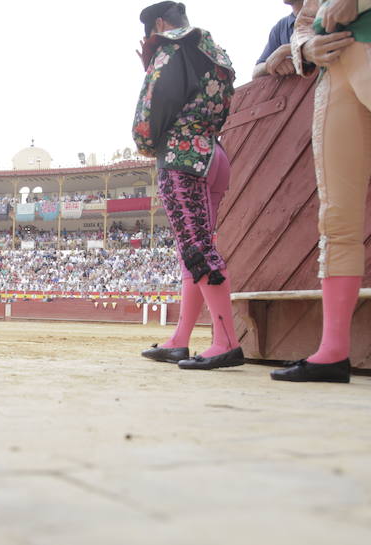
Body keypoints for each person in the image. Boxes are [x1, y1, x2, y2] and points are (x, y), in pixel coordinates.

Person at [270, 0, 371, 383]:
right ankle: (333, 350)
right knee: (336, 217)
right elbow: (306, 18)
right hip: (333, 72)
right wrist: (304, 47)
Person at [132, 1, 245, 370]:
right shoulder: (215, 50)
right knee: (192, 250)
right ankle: (180, 339)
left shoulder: (169, 47)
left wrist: (148, 144)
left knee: (196, 250)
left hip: (184, 156)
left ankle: (226, 342)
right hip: (214, 151)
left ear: (160, 25)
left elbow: (153, 108)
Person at [253, 1, 305, 79]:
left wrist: (286, 50)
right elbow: (255, 72)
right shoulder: (280, 27)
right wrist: (272, 64)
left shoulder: (326, 12)